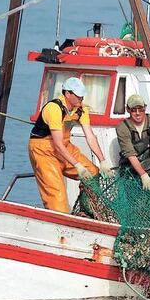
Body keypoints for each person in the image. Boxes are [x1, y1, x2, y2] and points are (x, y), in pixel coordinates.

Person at [29, 77, 114, 213]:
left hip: (65, 146)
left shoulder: (81, 110)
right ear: (67, 94)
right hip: (44, 150)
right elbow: (57, 143)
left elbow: (90, 137)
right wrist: (77, 165)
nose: (81, 97)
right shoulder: (54, 108)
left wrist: (102, 161)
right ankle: (59, 223)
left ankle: (87, 210)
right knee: (58, 200)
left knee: (92, 173)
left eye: (82, 95)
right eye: (78, 95)